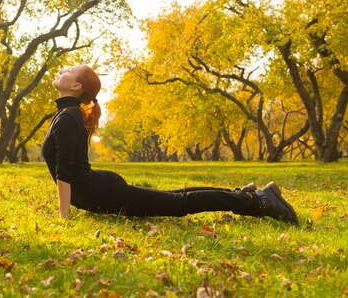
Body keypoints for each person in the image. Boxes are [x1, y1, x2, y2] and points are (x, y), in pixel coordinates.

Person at [42, 64, 299, 225]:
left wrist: (63, 217)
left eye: (68, 71)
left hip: (103, 192)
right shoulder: (68, 114)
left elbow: (65, 174)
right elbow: (68, 172)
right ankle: (243, 195)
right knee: (176, 197)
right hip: (98, 190)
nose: (62, 70)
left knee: (179, 203)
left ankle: (260, 202)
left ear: (76, 86)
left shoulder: (68, 116)